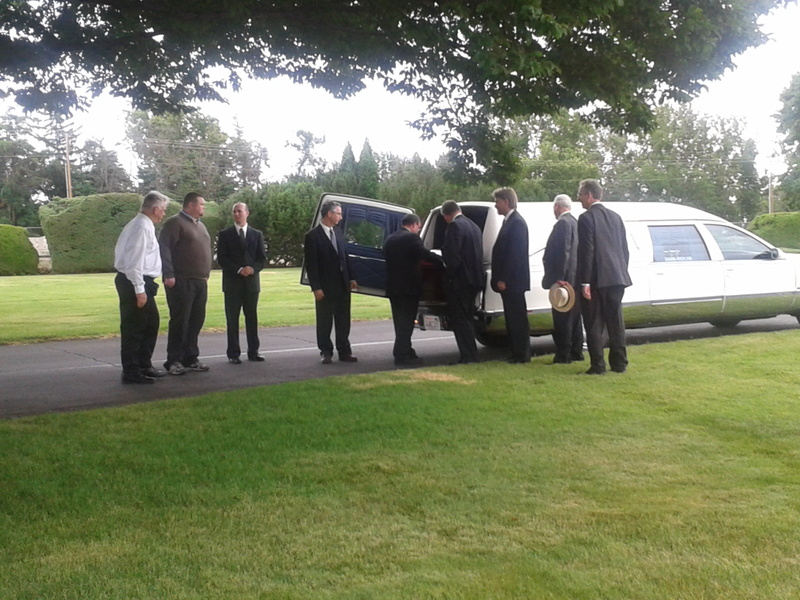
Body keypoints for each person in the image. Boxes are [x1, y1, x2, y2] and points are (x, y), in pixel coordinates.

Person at [576, 179, 632, 375]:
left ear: (589, 195)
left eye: (581, 195)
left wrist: (585, 282)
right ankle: (619, 363)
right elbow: (624, 250)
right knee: (616, 322)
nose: (579, 199)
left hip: (596, 278)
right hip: (617, 276)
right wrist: (621, 270)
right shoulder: (616, 217)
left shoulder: (586, 218)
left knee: (594, 323)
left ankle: (598, 365)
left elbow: (587, 252)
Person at [113, 191, 170, 384]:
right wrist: (139, 289)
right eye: (163, 210)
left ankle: (143, 364)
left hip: (142, 281)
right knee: (134, 328)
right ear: (155, 209)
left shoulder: (142, 225)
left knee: (150, 324)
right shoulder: (141, 227)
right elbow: (134, 260)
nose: (163, 214)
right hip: (135, 281)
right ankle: (131, 370)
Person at [160, 192, 213, 375]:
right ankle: (173, 360)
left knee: (196, 320)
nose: (203, 207)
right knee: (180, 321)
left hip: (199, 281)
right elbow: (165, 248)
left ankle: (190, 357)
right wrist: (168, 274)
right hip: (181, 281)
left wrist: (206, 273)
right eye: (201, 204)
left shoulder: (201, 226)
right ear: (190, 205)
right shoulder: (174, 223)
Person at [383, 213, 444, 366]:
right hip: (408, 288)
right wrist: (442, 261)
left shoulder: (390, 239)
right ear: (414, 224)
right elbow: (424, 254)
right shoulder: (411, 238)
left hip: (393, 288)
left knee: (399, 321)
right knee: (407, 322)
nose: (418, 230)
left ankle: (407, 350)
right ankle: (402, 354)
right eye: (418, 227)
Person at [303, 200, 358, 364]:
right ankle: (326, 351)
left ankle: (344, 351)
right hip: (325, 287)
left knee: (343, 320)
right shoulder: (312, 236)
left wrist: (352, 277)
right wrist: (316, 288)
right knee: (325, 320)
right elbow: (311, 265)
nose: (341, 217)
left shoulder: (339, 232)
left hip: (343, 285)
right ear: (330, 214)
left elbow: (345, 257)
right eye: (339, 213)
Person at [217, 202, 267, 364]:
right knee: (232, 319)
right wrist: (239, 269)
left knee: (251, 317)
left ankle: (254, 351)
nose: (237, 214)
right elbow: (222, 259)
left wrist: (252, 269)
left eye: (239, 211)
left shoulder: (256, 234)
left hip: (252, 284)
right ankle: (233, 353)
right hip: (232, 284)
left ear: (247, 213)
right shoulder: (225, 235)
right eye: (234, 211)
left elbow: (261, 258)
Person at [542, 193, 584, 364]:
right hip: (574, 279)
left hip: (564, 280)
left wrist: (559, 276)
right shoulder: (575, 222)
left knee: (562, 319)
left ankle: (563, 354)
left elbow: (563, 251)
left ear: (557, 206)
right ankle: (576, 351)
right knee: (574, 319)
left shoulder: (563, 224)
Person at [490, 187, 531, 364]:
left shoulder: (517, 223)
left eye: (498, 201)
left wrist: (504, 278)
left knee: (517, 318)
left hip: (513, 281)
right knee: (511, 318)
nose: (495, 205)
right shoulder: (509, 222)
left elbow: (515, 254)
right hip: (511, 281)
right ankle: (515, 352)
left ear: (507, 202)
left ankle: (522, 354)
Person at [441, 200, 483, 364]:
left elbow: (453, 255)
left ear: (446, 215)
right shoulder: (474, 226)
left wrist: (448, 274)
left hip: (460, 280)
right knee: (468, 318)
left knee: (460, 320)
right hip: (474, 279)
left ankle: (468, 355)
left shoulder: (454, 226)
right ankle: (471, 353)